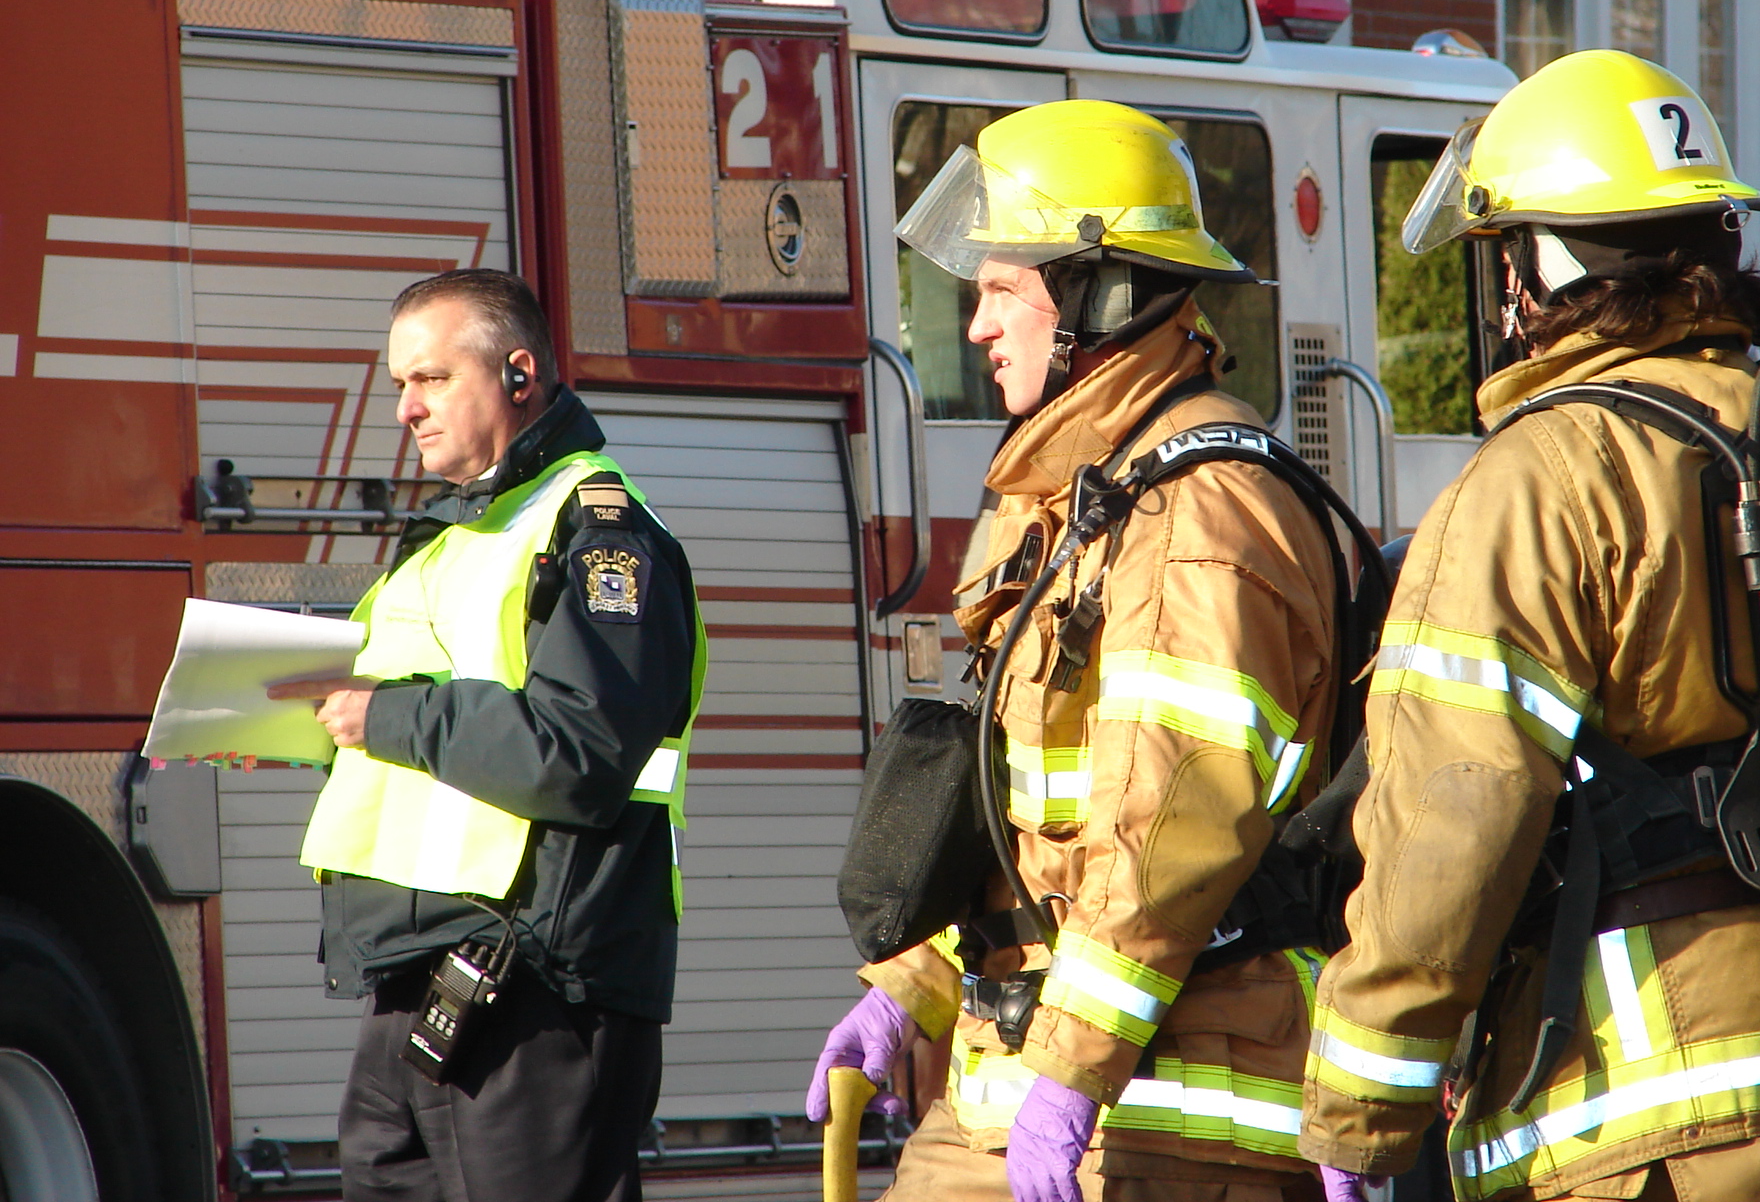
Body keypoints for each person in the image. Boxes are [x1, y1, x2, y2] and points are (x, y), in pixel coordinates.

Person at [1300, 51, 1760, 1202]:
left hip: (1646, 1126)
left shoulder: (1536, 480)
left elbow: (1451, 817)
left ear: (1543, 264)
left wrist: (1356, 1113)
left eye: (1505, 254)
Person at [810, 100, 1342, 1202]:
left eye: (1004, 289)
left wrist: (1069, 1077)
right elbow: (1028, 823)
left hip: (1162, 1116)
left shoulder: (1199, 513)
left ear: (1101, 295)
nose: (976, 326)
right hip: (1018, 1090)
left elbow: (1169, 838)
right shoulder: (1062, 497)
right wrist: (913, 984)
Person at [272, 268, 703, 1202]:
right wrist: (289, 728)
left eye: (430, 379)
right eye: (399, 384)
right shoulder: (449, 538)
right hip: (420, 980)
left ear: (518, 375)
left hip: (535, 984)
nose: (406, 409)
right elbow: (405, 738)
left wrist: (382, 714)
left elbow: (582, 752)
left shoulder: (597, 531)